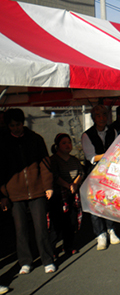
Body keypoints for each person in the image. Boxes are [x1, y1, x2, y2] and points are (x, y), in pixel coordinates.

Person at [0, 108, 56, 274]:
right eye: (12, 125)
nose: (16, 128)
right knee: (20, 230)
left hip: (37, 190)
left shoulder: (35, 139)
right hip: (14, 193)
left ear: (22, 123)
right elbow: (1, 170)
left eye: (18, 124)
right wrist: (3, 194)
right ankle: (25, 261)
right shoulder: (3, 143)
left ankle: (47, 260)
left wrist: (48, 186)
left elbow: (45, 164)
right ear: (8, 126)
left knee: (40, 228)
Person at [81, 105, 120, 250]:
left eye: (104, 115)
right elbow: (91, 157)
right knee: (95, 204)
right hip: (94, 173)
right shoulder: (87, 135)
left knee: (109, 201)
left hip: (110, 172)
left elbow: (118, 149)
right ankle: (100, 234)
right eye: (98, 115)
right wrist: (109, 155)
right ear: (93, 118)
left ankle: (111, 229)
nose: (102, 118)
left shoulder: (113, 131)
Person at [49, 133, 84, 257]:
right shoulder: (53, 160)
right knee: (56, 225)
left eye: (69, 142)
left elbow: (81, 172)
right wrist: (68, 185)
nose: (67, 145)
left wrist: (74, 184)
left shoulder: (74, 159)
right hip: (58, 196)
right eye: (64, 143)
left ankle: (68, 246)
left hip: (72, 194)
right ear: (57, 145)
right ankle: (51, 250)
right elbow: (55, 176)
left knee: (71, 222)